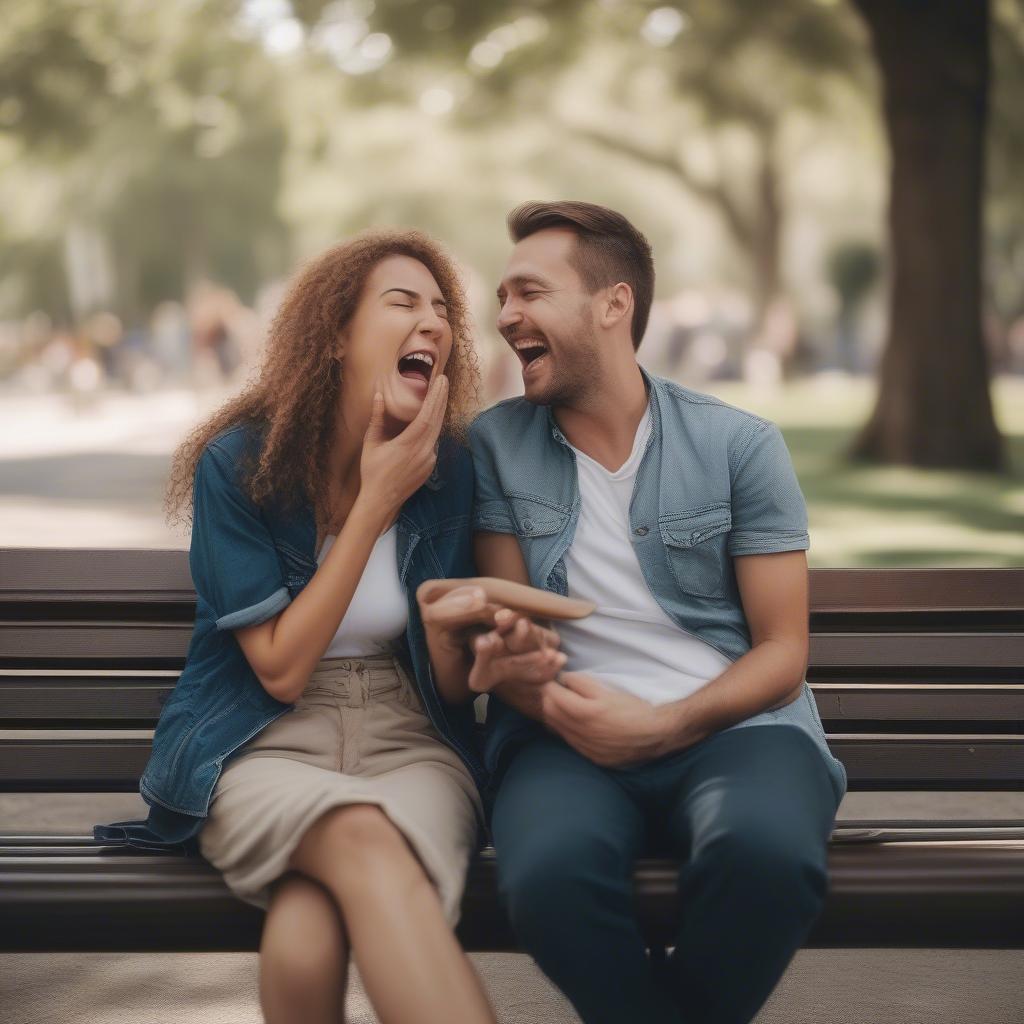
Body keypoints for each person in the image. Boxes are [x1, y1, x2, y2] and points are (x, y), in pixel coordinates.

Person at [94, 230, 559, 1024]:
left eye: (443, 310)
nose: (435, 325)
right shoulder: (239, 463)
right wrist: (376, 501)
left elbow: (445, 682)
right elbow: (277, 667)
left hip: (412, 739)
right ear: (337, 336)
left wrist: (478, 648)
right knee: (359, 840)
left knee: (308, 924)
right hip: (262, 735)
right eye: (403, 303)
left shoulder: (447, 469)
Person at [466, 201, 849, 1024]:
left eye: (529, 293)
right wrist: (534, 683)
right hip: (562, 738)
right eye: (502, 297)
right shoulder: (495, 445)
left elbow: (783, 654)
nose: (505, 317)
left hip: (740, 731)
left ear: (613, 304)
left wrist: (665, 724)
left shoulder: (739, 445)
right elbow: (507, 629)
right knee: (548, 878)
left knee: (769, 857)